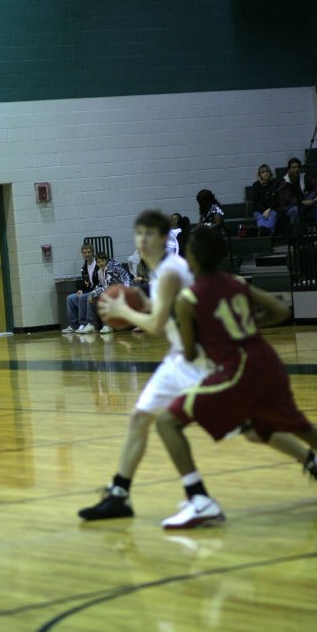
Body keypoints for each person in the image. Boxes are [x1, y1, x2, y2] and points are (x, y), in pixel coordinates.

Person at [156, 226, 317, 530]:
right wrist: (248, 328)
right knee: (295, 425)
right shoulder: (235, 282)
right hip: (265, 359)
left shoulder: (188, 298)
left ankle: (199, 500)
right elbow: (278, 309)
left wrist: (184, 328)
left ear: (192, 257)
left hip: (239, 369)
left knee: (167, 422)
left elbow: (191, 354)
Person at [78, 209, 217, 520]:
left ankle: (315, 463)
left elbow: (154, 325)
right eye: (138, 233)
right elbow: (162, 311)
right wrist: (139, 303)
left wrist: (122, 310)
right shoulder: (161, 270)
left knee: (252, 426)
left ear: (165, 238)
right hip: (179, 357)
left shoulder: (171, 270)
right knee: (140, 418)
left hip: (201, 358)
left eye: (149, 233)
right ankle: (120, 494)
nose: (142, 239)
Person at [82, 252, 132, 334]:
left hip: (126, 290)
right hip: (115, 290)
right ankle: (92, 325)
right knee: (91, 297)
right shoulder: (100, 272)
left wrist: (96, 294)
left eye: (102, 261)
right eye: (98, 262)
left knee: (104, 297)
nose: (101, 263)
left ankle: (109, 325)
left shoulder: (112, 268)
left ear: (106, 260)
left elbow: (109, 287)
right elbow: (102, 286)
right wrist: (93, 294)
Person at [62, 243, 99, 334]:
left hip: (97, 291)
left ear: (93, 253)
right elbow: (85, 283)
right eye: (84, 252)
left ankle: (84, 324)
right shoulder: (84, 267)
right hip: (89, 291)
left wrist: (86, 292)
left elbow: (99, 282)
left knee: (83, 297)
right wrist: (81, 290)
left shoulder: (97, 265)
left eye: (89, 252)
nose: (86, 254)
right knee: (70, 298)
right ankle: (74, 325)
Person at [276, 157, 317, 227]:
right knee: (295, 211)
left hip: (302, 203)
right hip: (289, 206)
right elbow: (289, 200)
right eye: (293, 167)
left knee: (316, 197)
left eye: (298, 167)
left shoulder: (303, 177)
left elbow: (316, 184)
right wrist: (303, 202)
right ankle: (297, 235)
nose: (296, 169)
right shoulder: (284, 182)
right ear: (289, 169)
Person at [251, 164, 279, 236]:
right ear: (259, 175)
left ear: (270, 173)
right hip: (260, 210)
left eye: (267, 171)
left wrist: (269, 209)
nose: (265, 173)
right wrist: (264, 211)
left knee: (272, 216)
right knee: (260, 218)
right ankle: (266, 234)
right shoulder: (256, 185)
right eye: (263, 172)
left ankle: (264, 234)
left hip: (273, 209)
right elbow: (255, 201)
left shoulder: (275, 183)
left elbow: (277, 199)